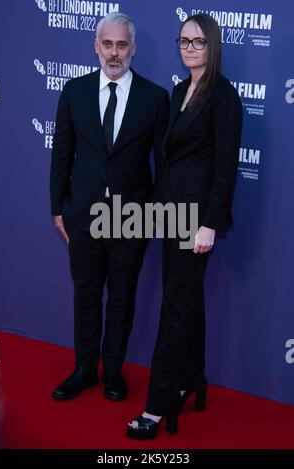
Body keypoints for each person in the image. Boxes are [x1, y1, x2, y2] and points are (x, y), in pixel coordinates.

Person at [127, 13, 242, 439]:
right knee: (185, 300)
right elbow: (170, 160)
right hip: (170, 214)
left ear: (213, 46)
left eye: (197, 42)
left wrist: (210, 224)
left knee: (176, 305)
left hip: (196, 222)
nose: (189, 48)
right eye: (183, 41)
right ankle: (192, 377)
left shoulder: (224, 98)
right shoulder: (178, 92)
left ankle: (157, 406)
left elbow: (225, 168)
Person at [50, 12, 169, 402]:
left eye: (121, 45)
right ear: (96, 46)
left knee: (121, 297)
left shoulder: (155, 98)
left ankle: (113, 371)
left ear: (133, 49)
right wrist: (58, 209)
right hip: (82, 215)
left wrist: (152, 213)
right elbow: (62, 155)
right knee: (85, 295)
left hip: (130, 218)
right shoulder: (74, 91)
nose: (114, 52)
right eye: (107, 44)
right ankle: (84, 369)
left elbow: (163, 164)